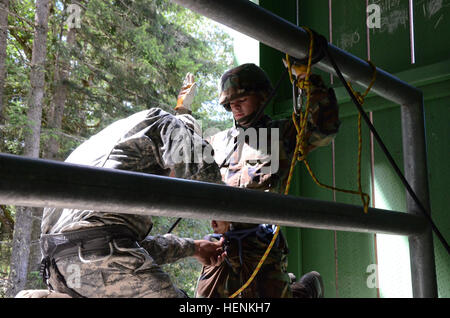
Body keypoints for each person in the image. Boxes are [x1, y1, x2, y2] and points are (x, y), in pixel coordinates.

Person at [36, 74, 227, 298]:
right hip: (100, 260)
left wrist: (193, 247)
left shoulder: (117, 143)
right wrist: (224, 212)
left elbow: (112, 243)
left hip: (60, 272)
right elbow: (199, 161)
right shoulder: (165, 122)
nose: (173, 179)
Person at [192, 63, 340, 298]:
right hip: (221, 250)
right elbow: (184, 157)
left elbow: (325, 126)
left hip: (261, 250)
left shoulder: (281, 136)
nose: (235, 106)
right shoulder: (217, 143)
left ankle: (304, 290)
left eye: (242, 98)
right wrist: (182, 112)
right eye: (230, 102)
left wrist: (306, 79)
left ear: (262, 97)